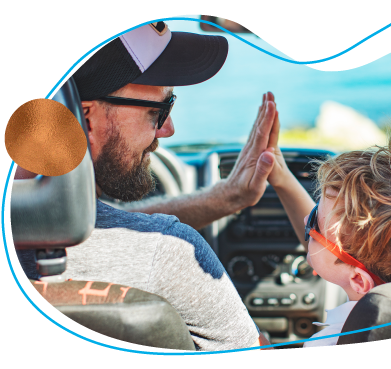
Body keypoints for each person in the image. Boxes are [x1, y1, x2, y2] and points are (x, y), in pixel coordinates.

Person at [14, 21, 278, 351]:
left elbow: (101, 225)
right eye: (159, 111)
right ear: (84, 120)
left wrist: (226, 197)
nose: (168, 130)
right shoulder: (170, 254)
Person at [265, 132, 391, 348]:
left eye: (313, 224)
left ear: (359, 281)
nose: (304, 220)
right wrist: (282, 179)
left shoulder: (331, 341)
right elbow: (336, 246)